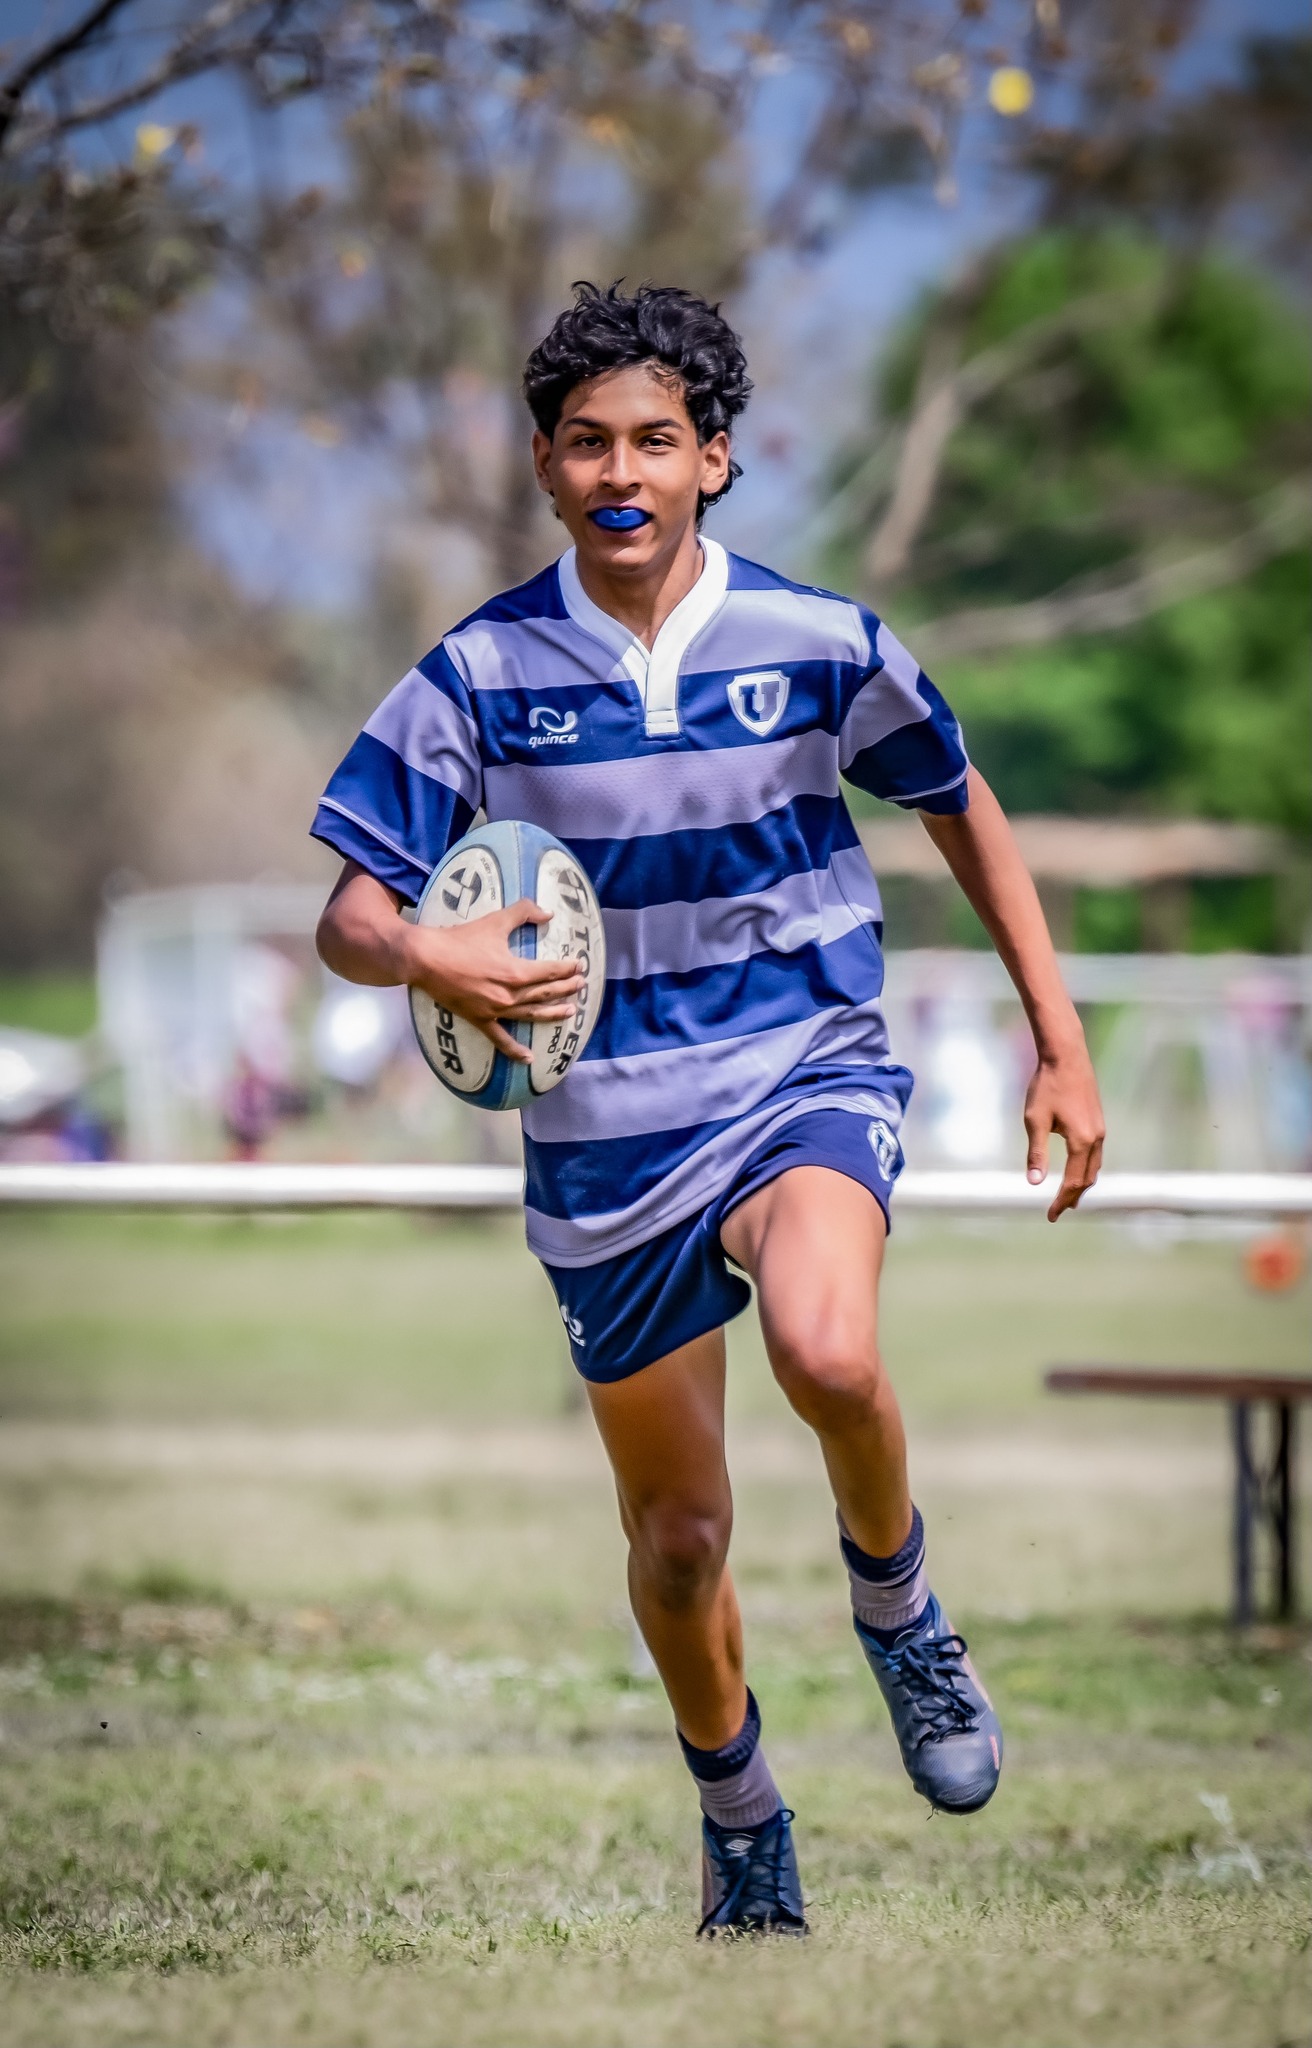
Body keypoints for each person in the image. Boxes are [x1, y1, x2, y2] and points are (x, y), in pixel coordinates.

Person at [313, 283, 1105, 1939]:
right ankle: (742, 1815)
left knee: (830, 1351)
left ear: (715, 460)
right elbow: (352, 915)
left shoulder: (822, 644)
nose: (623, 470)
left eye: (656, 441)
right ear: (544, 465)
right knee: (679, 1540)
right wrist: (431, 954)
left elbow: (963, 806)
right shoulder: (477, 673)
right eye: (588, 441)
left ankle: (901, 1612)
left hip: (800, 1072)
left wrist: (1059, 1037)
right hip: (604, 1136)